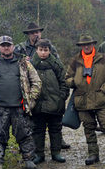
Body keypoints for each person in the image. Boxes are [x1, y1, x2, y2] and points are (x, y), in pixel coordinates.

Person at [65, 34, 105, 165]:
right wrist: (75, 81)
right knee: (89, 128)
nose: (86, 46)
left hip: (101, 100)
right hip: (82, 101)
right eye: (83, 45)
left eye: (89, 44)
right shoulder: (75, 61)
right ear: (80, 46)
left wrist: (103, 90)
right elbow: (67, 79)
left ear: (93, 45)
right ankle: (93, 154)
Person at [15, 22, 71, 150]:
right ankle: (31, 146)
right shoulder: (21, 48)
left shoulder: (50, 47)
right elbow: (15, 64)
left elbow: (59, 67)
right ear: (28, 34)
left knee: (55, 122)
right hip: (32, 91)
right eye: (33, 32)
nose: (36, 34)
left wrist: (61, 95)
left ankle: (58, 142)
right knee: (33, 123)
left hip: (51, 90)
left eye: (38, 32)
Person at [0, 35, 41, 169]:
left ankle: (29, 159)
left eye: (8, 45)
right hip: (0, 108)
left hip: (20, 107)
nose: (6, 47)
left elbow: (37, 82)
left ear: (13, 46)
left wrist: (30, 101)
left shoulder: (24, 63)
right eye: (3, 45)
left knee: (25, 134)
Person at [30, 39, 68, 164]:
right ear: (37, 50)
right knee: (38, 129)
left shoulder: (57, 64)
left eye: (45, 50)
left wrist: (61, 97)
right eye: (40, 50)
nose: (43, 53)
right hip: (37, 104)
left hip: (55, 103)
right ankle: (39, 154)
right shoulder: (31, 64)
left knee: (55, 128)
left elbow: (64, 82)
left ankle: (56, 152)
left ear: (49, 51)